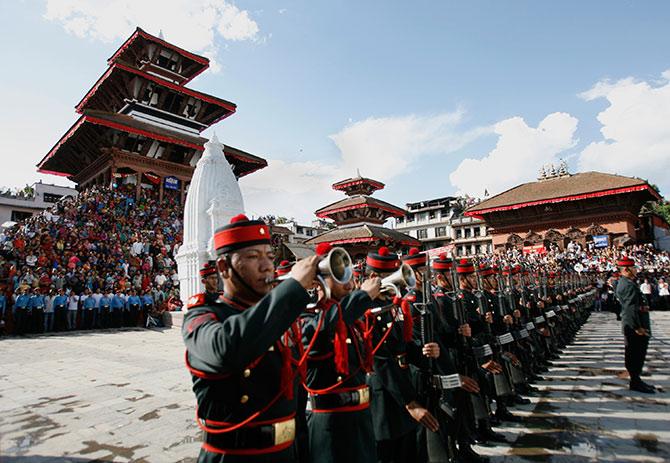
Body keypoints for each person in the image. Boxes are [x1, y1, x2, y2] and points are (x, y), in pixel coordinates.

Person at [182, 214, 319, 462]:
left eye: (269, 256)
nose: (267, 266)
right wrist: (293, 289)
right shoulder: (203, 315)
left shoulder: (276, 316)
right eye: (254, 257)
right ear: (224, 268)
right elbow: (225, 349)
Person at [300, 243, 381, 463]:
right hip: (331, 426)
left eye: (348, 274)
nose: (348, 281)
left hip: (360, 419)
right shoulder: (309, 318)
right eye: (338, 275)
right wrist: (362, 296)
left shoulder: (351, 318)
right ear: (318, 283)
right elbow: (325, 326)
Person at [615, 257, 655, 394]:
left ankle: (636, 380)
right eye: (633, 268)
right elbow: (630, 308)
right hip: (634, 327)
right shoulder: (627, 285)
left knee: (636, 353)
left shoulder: (626, 283)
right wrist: (637, 327)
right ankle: (635, 381)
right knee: (636, 353)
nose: (635, 270)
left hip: (633, 324)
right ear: (626, 269)